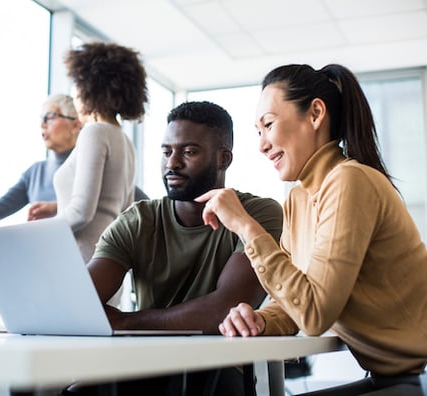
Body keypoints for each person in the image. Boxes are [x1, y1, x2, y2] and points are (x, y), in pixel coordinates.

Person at [198, 64, 427, 395]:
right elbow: (293, 303)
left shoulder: (349, 180)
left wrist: (245, 225)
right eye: (258, 131)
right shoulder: (299, 198)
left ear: (315, 114)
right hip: (400, 377)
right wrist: (261, 319)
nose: (262, 145)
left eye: (268, 124)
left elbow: (314, 314)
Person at [64, 101, 283, 396]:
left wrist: (127, 322)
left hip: (222, 367)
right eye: (167, 151)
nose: (172, 163)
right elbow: (81, 305)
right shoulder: (139, 219)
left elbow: (223, 309)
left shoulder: (257, 214)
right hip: (148, 364)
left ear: (223, 158)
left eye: (189, 152)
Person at [28, 42, 148, 263]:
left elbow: (82, 212)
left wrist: (35, 236)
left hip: (78, 261)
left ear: (88, 88)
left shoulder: (94, 132)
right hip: (107, 262)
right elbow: (117, 208)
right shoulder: (123, 140)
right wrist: (57, 207)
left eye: (77, 87)